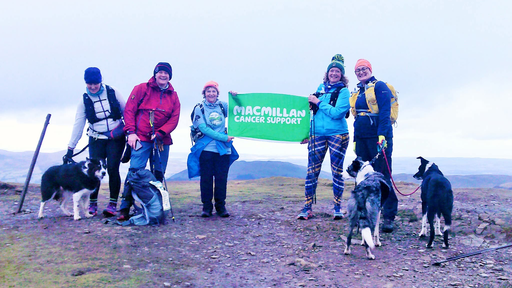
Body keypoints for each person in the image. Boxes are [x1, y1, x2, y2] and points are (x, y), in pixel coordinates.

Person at [117, 62, 181, 221]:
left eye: (166, 73)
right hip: (140, 138)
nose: (163, 75)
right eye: (160, 72)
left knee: (159, 172)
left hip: (161, 139)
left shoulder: (173, 96)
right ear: (155, 73)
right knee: (135, 172)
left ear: (170, 76)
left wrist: (161, 132)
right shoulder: (141, 88)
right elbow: (129, 111)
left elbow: (174, 118)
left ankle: (156, 207)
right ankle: (125, 207)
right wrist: (131, 132)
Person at [64, 67, 126, 217]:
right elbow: (78, 124)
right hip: (96, 138)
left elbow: (126, 112)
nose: (92, 87)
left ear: (100, 81)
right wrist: (70, 148)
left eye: (95, 83)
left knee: (112, 168)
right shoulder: (84, 100)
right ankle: (92, 204)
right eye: (89, 83)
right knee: (93, 171)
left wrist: (131, 132)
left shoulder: (113, 92)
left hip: (115, 138)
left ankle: (112, 204)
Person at [297, 56, 351, 220]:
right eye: (331, 71)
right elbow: (310, 114)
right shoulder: (320, 88)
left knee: (337, 172)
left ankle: (337, 208)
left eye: (337, 71)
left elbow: (338, 113)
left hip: (338, 134)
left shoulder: (344, 91)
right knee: (311, 171)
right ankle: (307, 208)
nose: (334, 73)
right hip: (317, 134)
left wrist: (319, 102)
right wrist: (306, 133)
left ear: (341, 75)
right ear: (327, 73)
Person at [351, 58, 398, 233]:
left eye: (364, 69)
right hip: (362, 138)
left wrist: (382, 135)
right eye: (358, 70)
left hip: (379, 138)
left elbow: (385, 112)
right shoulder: (358, 91)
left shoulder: (380, 86)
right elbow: (357, 118)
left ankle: (388, 217)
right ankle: (363, 215)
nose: (361, 72)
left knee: (383, 176)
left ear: (370, 69)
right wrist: (355, 140)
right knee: (362, 176)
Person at [187, 81, 238, 218]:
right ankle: (207, 207)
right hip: (207, 149)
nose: (211, 93)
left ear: (217, 93)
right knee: (206, 179)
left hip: (223, 150)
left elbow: (239, 111)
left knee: (222, 179)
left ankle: (221, 207)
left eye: (213, 91)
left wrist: (235, 97)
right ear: (204, 93)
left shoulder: (223, 106)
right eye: (208, 91)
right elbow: (204, 129)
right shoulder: (200, 108)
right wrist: (223, 137)